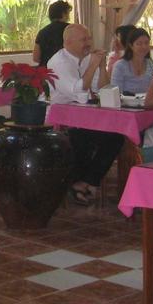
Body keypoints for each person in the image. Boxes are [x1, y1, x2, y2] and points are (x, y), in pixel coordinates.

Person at [46, 23, 124, 205]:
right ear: (68, 42)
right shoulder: (59, 62)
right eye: (84, 40)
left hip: (86, 116)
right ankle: (82, 182)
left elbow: (103, 88)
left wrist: (102, 66)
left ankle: (87, 181)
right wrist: (93, 65)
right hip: (64, 119)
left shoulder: (88, 58)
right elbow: (78, 90)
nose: (88, 43)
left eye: (89, 38)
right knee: (82, 138)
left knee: (117, 135)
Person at [111, 26, 153, 95]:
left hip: (145, 104)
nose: (144, 47)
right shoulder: (120, 65)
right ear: (131, 46)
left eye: (146, 43)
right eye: (139, 44)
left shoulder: (150, 64)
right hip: (124, 104)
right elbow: (115, 93)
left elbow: (150, 92)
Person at [32, 0, 71, 64]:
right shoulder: (72, 30)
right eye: (68, 13)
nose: (68, 17)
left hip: (46, 71)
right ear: (64, 14)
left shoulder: (42, 32)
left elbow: (36, 58)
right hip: (66, 69)